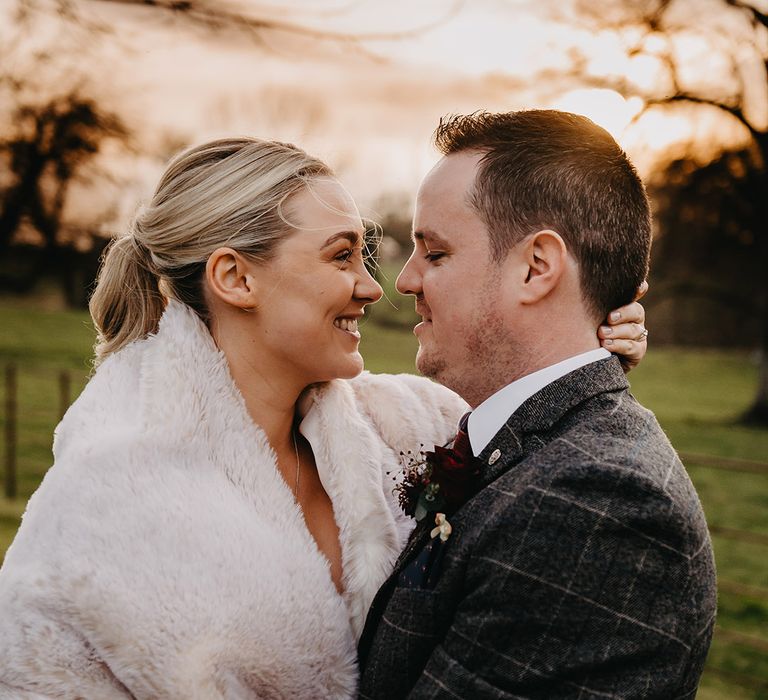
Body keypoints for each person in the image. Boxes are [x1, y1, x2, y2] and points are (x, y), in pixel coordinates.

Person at [0, 136, 646, 699]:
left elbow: (539, 462)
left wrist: (581, 343)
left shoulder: (410, 423)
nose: (373, 286)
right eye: (342, 256)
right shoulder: (101, 505)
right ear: (235, 278)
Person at [358, 111, 717, 699]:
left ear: (536, 267)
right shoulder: (522, 446)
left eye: (436, 253)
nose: (404, 281)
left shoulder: (595, 503)